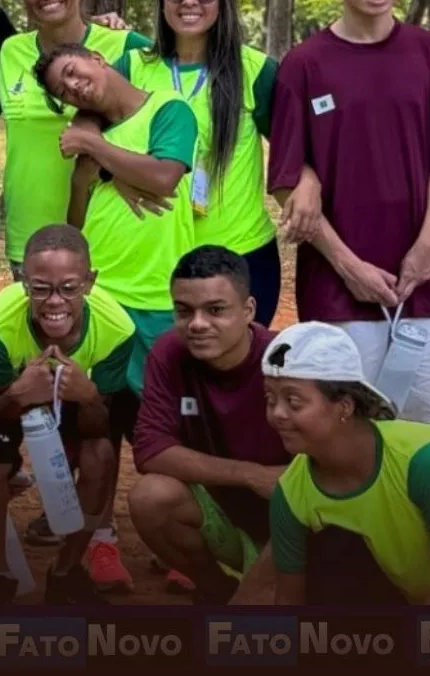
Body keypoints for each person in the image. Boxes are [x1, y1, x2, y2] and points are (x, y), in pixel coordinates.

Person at [268, 0, 430, 427]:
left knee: (428, 432)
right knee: (343, 431)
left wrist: (428, 244)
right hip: (336, 286)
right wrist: (347, 266)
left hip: (420, 279)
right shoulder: (304, 64)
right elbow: (285, 181)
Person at [36, 38, 197, 591]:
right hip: (102, 298)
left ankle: (178, 541)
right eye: (64, 88)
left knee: (169, 429)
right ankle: (102, 544)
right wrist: (99, 166)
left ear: (100, 60)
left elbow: (164, 177)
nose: (75, 87)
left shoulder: (168, 109)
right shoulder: (90, 138)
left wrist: (95, 148)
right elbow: (77, 219)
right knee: (97, 425)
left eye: (76, 73)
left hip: (160, 299)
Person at [262, 322, 430, 604]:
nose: (277, 414)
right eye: (270, 399)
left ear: (344, 406)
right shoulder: (291, 492)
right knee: (333, 547)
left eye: (293, 402)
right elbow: (289, 599)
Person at [0, 226, 133, 605]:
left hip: (79, 391)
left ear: (90, 283)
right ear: (23, 282)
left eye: (69, 288)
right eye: (40, 288)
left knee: (101, 457)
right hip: (12, 389)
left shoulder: (117, 330)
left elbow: (101, 425)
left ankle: (67, 570)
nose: (54, 302)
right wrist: (18, 394)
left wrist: (88, 396)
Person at [121, 0, 282, 325]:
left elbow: (296, 152)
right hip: (157, 257)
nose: (189, 1)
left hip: (242, 256)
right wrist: (114, 177)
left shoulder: (256, 70)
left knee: (236, 377)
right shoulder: (133, 67)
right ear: (162, 0)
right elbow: (87, 135)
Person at [129, 246, 290, 602]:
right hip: (228, 513)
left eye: (215, 310)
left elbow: (331, 468)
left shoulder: (286, 361)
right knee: (151, 497)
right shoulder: (169, 352)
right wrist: (250, 474)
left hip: (296, 523)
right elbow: (151, 451)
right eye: (184, 311)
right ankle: (217, 590)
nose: (197, 324)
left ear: (249, 310)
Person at [0, 0, 151, 277]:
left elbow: (161, 117)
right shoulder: (10, 52)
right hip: (31, 235)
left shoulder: (124, 45)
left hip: (110, 225)